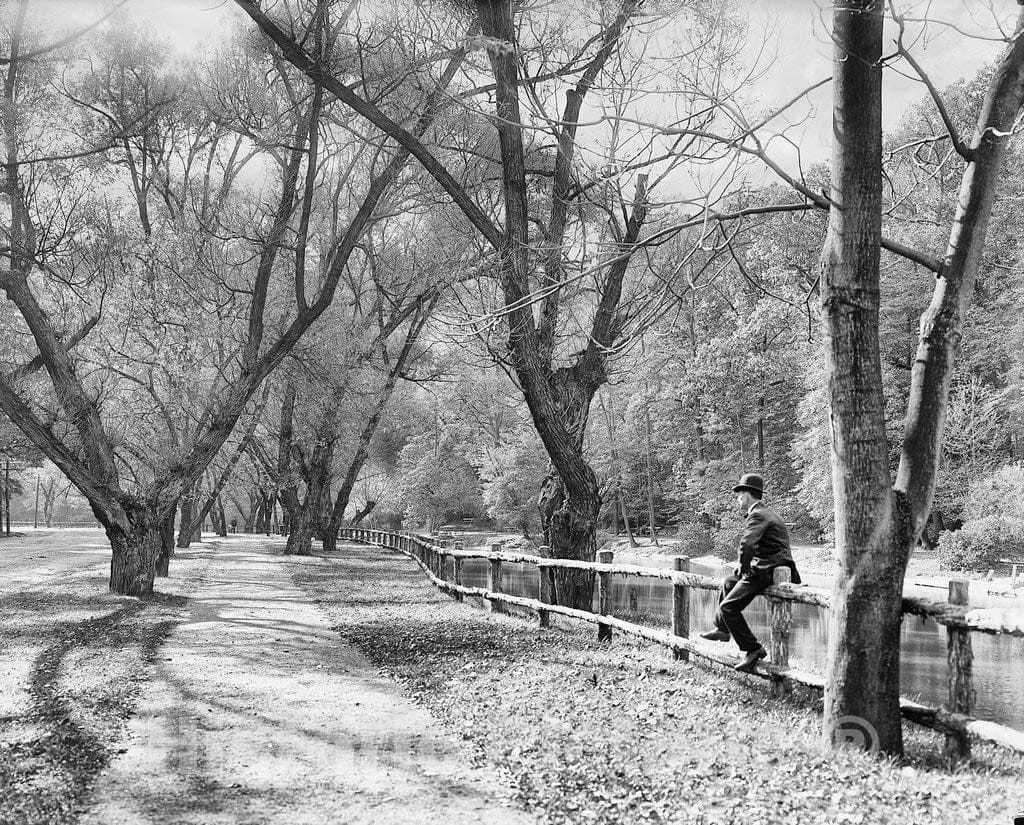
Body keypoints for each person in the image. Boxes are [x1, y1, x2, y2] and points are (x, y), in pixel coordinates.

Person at [699, 473, 801, 673]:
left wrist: (744, 567)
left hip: (769, 569)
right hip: (770, 564)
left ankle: (753, 649)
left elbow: (747, 543)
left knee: (729, 608)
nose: (738, 499)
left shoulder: (757, 515)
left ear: (747, 496)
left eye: (739, 494)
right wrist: (742, 568)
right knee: (729, 581)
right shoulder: (767, 512)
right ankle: (722, 629)